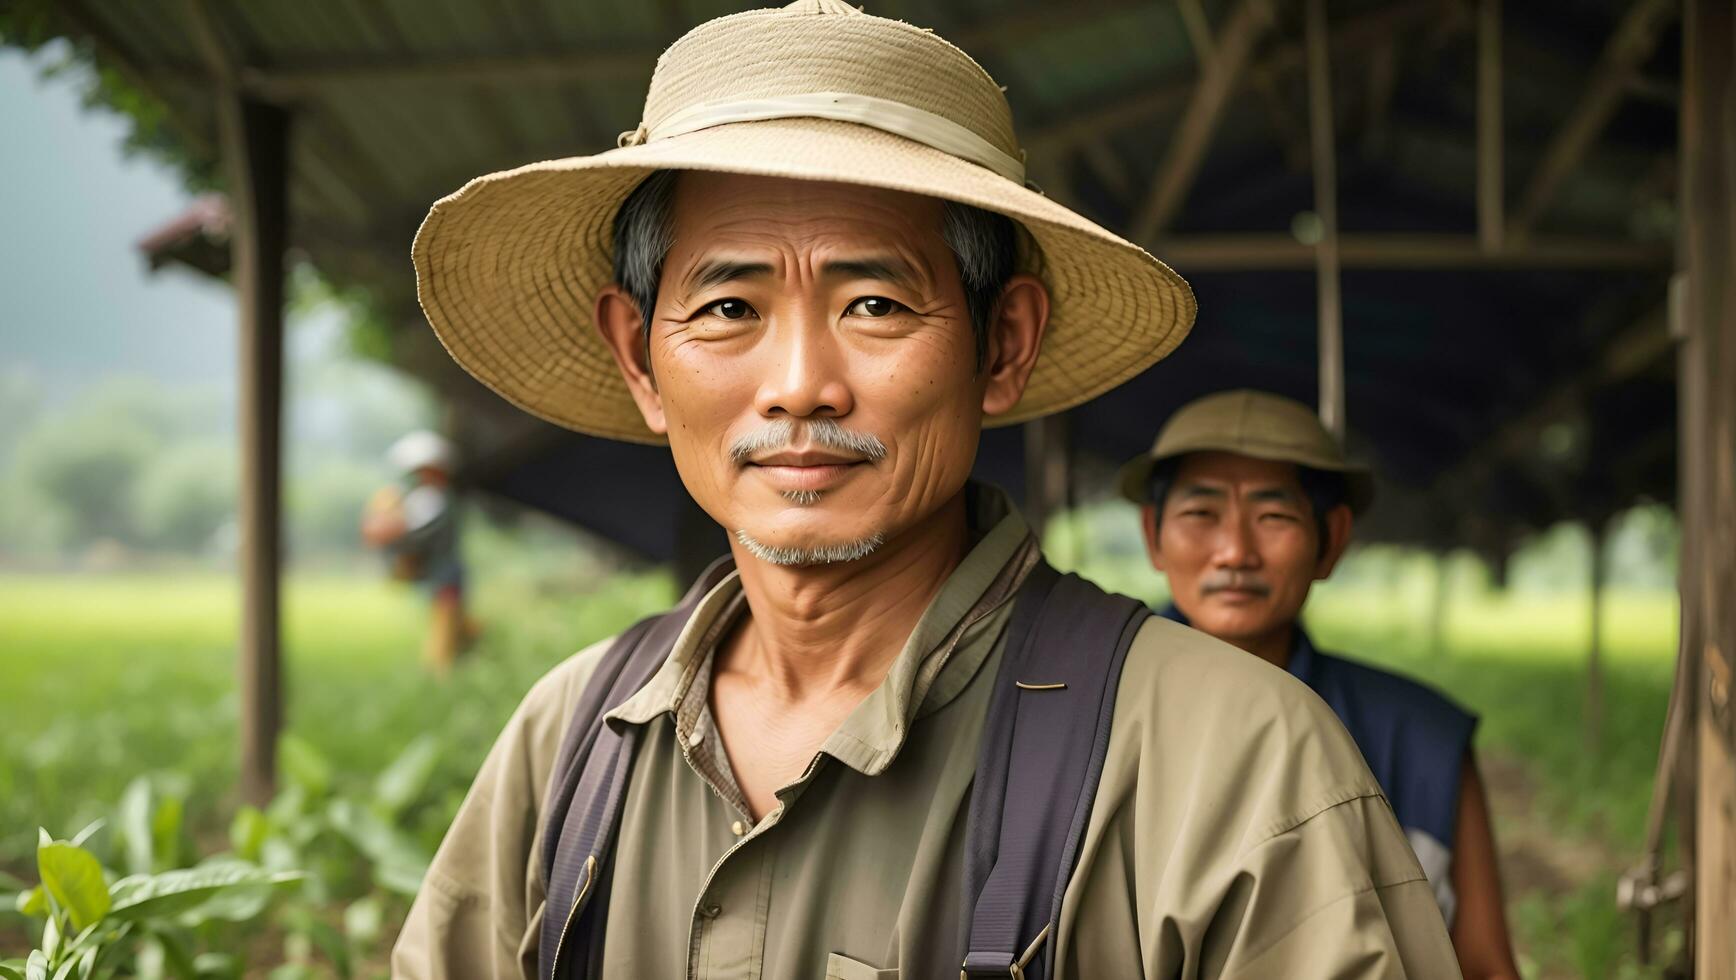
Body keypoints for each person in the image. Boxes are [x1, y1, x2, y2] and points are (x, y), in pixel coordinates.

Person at [392, 3, 1460, 977]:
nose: (800, 382)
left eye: (872, 303)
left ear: (1003, 344)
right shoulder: (570, 740)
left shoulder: (1231, 758)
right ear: (638, 358)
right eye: (726, 307)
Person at [1119, 388, 1520, 980]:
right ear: (1153, 535)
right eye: (1201, 514)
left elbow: (1485, 966)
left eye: (1273, 516)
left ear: (1330, 541)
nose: (1234, 551)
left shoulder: (1419, 736)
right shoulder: (1092, 708)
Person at [360, 430, 473, 674]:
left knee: (445, 628)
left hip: (446, 574)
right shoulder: (425, 498)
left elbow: (411, 532)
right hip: (438, 573)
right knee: (451, 622)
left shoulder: (435, 499)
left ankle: (440, 671)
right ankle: (465, 659)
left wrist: (385, 529)